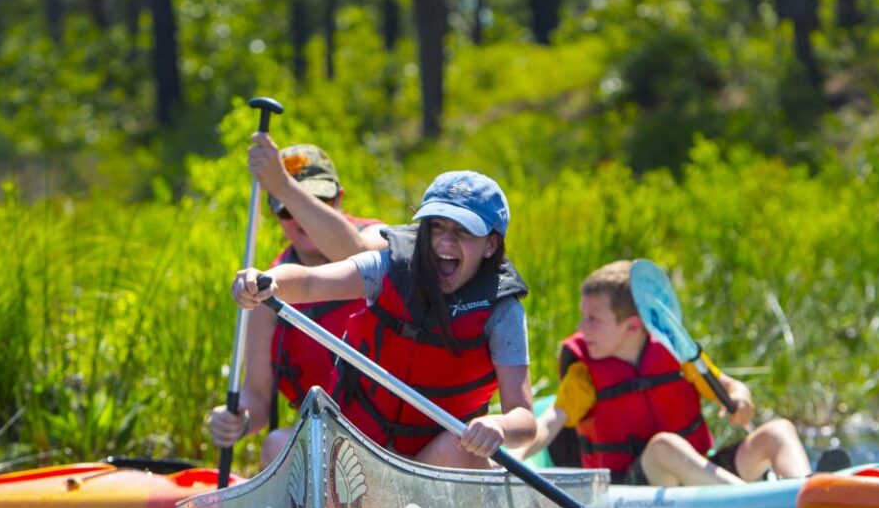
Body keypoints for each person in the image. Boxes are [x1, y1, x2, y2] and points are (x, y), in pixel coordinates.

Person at [231, 170, 535, 469]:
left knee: (463, 450)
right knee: (277, 446)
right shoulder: (390, 266)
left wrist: (499, 426)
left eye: (463, 231)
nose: (446, 241)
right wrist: (267, 280)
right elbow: (310, 282)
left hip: (434, 465)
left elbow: (523, 418)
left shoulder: (503, 311)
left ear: (491, 245)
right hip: (360, 448)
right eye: (437, 226)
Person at [522, 261, 810, 485]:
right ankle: (757, 502)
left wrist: (741, 399)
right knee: (664, 447)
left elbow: (728, 386)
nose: (582, 328)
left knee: (778, 431)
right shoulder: (583, 376)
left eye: (593, 319)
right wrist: (513, 456)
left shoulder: (675, 353)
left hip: (699, 477)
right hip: (632, 491)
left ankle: (807, 497)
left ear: (633, 326)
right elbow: (548, 424)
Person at [205, 141, 383, 467]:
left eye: (318, 200)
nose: (300, 217)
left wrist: (284, 187)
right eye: (287, 207)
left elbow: (356, 255)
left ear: (339, 198)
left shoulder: (379, 238)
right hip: (327, 437)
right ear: (274, 212)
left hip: (392, 433)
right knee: (276, 443)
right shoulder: (265, 289)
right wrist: (236, 419)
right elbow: (257, 398)